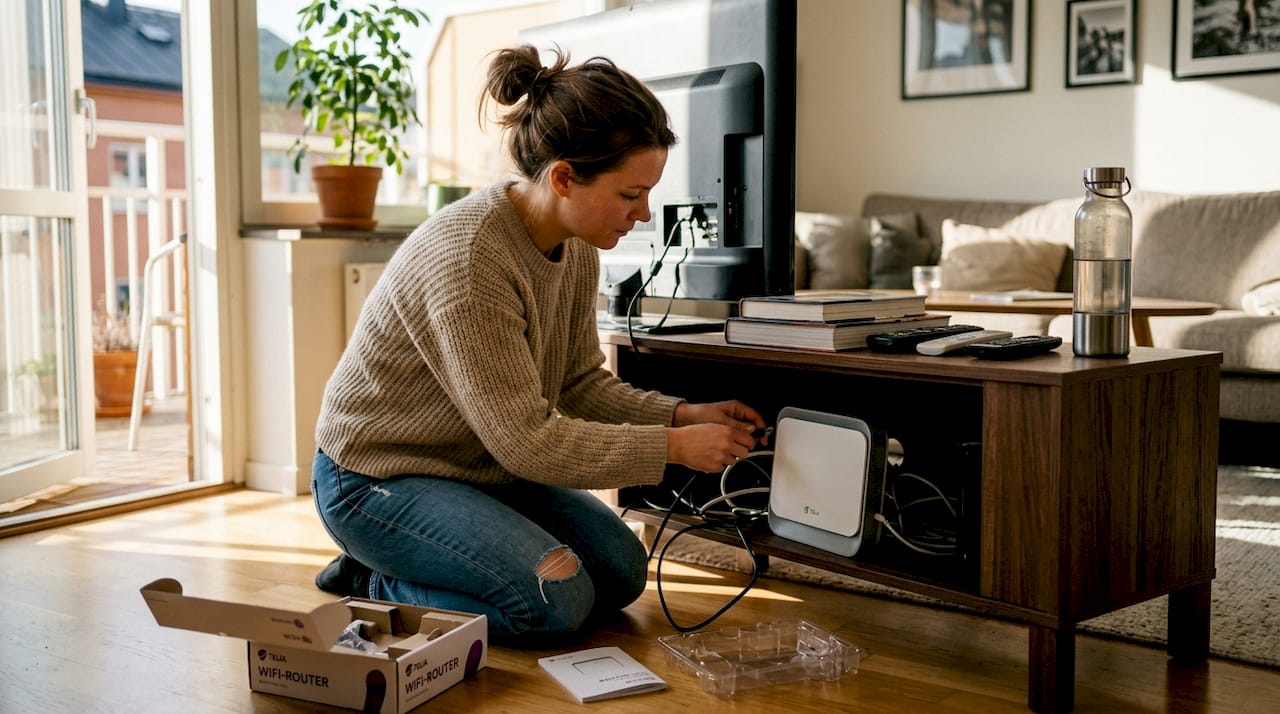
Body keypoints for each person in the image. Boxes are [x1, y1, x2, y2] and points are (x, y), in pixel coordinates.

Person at [311, 44, 768, 646]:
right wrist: (674, 446)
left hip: (478, 467)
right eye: (630, 195)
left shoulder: (575, 246)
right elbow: (528, 442)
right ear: (563, 177)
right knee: (554, 604)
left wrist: (682, 414)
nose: (644, 213)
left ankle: (431, 557)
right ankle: (375, 580)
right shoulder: (471, 260)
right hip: (376, 477)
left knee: (622, 572)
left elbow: (579, 384)